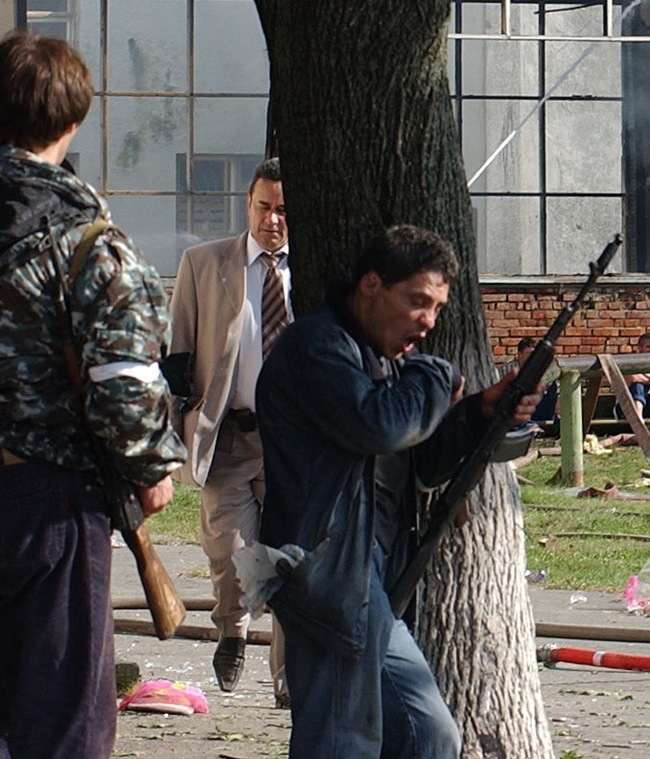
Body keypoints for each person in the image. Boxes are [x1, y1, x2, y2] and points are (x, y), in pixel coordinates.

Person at [245, 224, 541, 758]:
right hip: (325, 576)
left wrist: (478, 413)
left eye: (436, 308)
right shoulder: (318, 347)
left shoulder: (380, 356)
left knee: (427, 736)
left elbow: (414, 461)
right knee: (342, 743)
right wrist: (432, 378)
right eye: (417, 302)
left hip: (365, 578)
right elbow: (378, 426)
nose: (427, 322)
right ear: (372, 284)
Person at [0, 31, 186, 759]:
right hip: (49, 507)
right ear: (76, 120)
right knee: (60, 723)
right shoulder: (86, 245)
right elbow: (123, 386)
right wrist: (149, 466)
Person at [169, 157, 291, 701]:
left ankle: (288, 677)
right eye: (263, 207)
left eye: (283, 210)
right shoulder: (204, 263)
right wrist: (174, 423)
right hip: (230, 435)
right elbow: (178, 351)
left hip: (294, 441)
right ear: (248, 205)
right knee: (228, 548)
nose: (272, 220)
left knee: (293, 554)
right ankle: (233, 627)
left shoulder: (315, 270)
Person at [499, 337, 560, 434]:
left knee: (550, 386)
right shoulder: (507, 371)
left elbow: (556, 388)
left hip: (541, 407)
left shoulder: (544, 370)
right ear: (519, 355)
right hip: (518, 411)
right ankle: (528, 425)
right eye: (530, 354)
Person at [615, 332, 650, 419]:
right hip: (626, 408)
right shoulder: (631, 363)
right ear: (639, 348)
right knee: (637, 385)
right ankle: (638, 419)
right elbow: (633, 378)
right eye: (648, 347)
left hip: (647, 406)